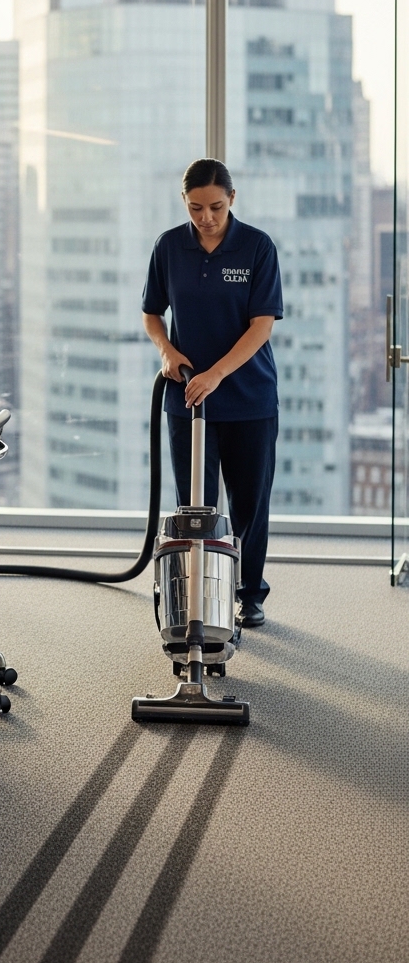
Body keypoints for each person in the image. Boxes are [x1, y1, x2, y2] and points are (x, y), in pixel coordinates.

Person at [141, 158, 284, 628]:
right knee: (196, 508)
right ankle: (198, 595)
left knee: (249, 504)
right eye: (197, 207)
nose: (206, 217)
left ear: (232, 200)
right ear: (185, 201)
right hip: (188, 399)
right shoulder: (169, 247)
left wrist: (217, 373)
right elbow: (151, 314)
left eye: (216, 207)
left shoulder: (257, 247)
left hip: (248, 399)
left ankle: (249, 594)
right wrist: (166, 350)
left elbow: (261, 327)